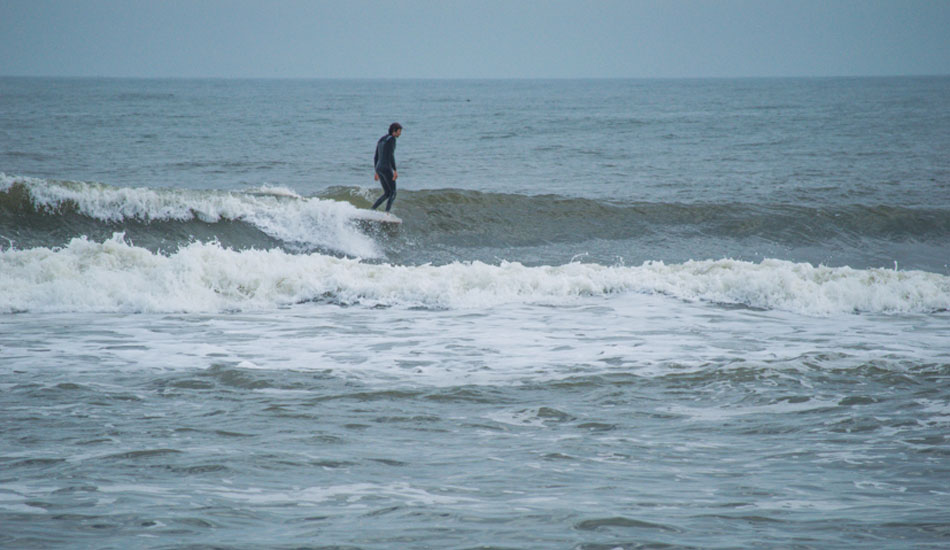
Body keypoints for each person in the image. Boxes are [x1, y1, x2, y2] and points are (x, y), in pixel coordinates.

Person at [372, 122, 402, 212]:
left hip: (379, 167)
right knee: (393, 192)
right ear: (394, 131)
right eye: (399, 131)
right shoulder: (392, 139)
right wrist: (395, 170)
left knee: (387, 193)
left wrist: (376, 171)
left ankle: (371, 209)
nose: (400, 133)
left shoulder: (381, 139)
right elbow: (391, 155)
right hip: (386, 168)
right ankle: (387, 213)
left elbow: (376, 157)